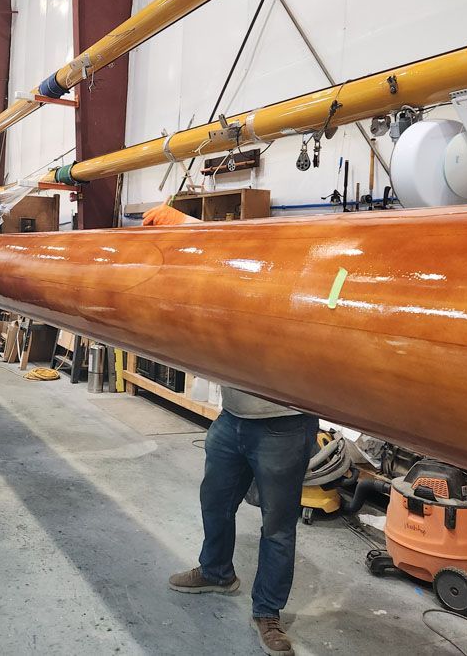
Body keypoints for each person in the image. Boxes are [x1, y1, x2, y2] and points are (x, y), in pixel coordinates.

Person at [143, 205, 317, 656]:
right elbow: (215, 257)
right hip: (233, 418)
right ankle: (217, 571)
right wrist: (185, 228)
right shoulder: (233, 281)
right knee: (214, 500)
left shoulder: (294, 291)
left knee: (277, 527)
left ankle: (267, 613)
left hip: (283, 426)